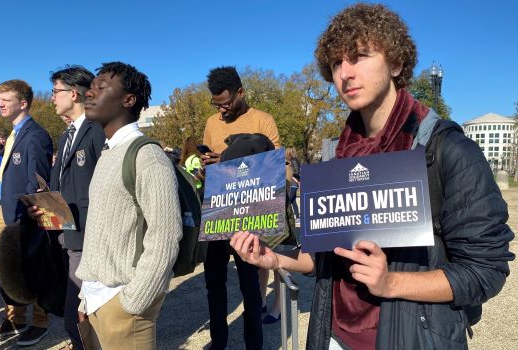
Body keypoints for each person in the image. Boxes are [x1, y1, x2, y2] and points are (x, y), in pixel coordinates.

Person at [230, 3, 515, 349]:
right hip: (333, 337)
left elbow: (486, 270)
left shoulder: (446, 151)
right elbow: (323, 259)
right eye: (336, 63)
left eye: (360, 56)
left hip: (412, 338)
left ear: (396, 63)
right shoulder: (335, 157)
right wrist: (274, 258)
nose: (345, 73)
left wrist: (390, 282)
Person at [75, 61, 181, 349]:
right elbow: (102, 232)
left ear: (128, 100)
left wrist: (135, 301)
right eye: (90, 87)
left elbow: (166, 236)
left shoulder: (147, 156)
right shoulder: (109, 154)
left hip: (125, 306)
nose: (89, 92)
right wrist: (87, 294)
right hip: (97, 302)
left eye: (100, 87)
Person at [201, 66, 280, 350]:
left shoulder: (263, 120)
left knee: (250, 286)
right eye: (216, 103)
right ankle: (218, 341)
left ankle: (253, 343)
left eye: (226, 102)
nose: (221, 109)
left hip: (250, 216)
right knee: (214, 284)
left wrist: (228, 160)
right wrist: (205, 168)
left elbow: (276, 167)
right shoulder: (212, 123)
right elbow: (210, 168)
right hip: (216, 213)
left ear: (241, 93)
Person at [28, 65, 104, 350]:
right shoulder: (65, 135)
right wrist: (43, 203)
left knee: (78, 317)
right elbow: (59, 187)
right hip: (63, 234)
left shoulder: (97, 130)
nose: (52, 99)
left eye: (55, 92)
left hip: (88, 240)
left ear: (74, 94)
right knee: (74, 314)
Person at [0, 79, 53, 346]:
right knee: (5, 270)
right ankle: (15, 319)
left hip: (23, 215)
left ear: (23, 103)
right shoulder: (12, 133)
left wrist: (29, 216)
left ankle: (40, 321)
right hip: (3, 210)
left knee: (32, 267)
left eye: (6, 99)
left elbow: (38, 181)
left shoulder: (35, 135)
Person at [286, 147, 301, 222]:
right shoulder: (292, 160)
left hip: (292, 183)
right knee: (293, 201)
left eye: (287, 151)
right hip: (292, 183)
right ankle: (297, 217)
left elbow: (297, 172)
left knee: (288, 202)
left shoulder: (293, 160)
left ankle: (288, 219)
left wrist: (291, 175)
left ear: (289, 152)